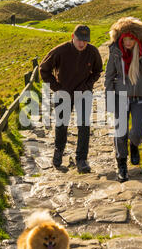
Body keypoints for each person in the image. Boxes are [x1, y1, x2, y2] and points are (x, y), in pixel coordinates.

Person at [104, 16, 142, 182]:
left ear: (137, 38)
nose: (128, 43)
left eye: (131, 39)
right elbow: (109, 76)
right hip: (120, 96)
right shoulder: (115, 51)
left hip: (141, 97)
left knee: (137, 132)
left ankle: (134, 145)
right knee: (120, 132)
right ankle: (121, 164)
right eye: (125, 39)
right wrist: (109, 100)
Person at [40, 24, 103, 173]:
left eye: (85, 40)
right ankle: (58, 152)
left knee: (84, 126)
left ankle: (81, 159)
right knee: (62, 124)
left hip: (83, 93)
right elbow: (44, 69)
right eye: (79, 40)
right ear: (72, 37)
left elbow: (98, 71)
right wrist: (57, 88)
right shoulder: (60, 51)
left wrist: (87, 85)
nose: (82, 43)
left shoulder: (92, 52)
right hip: (63, 94)